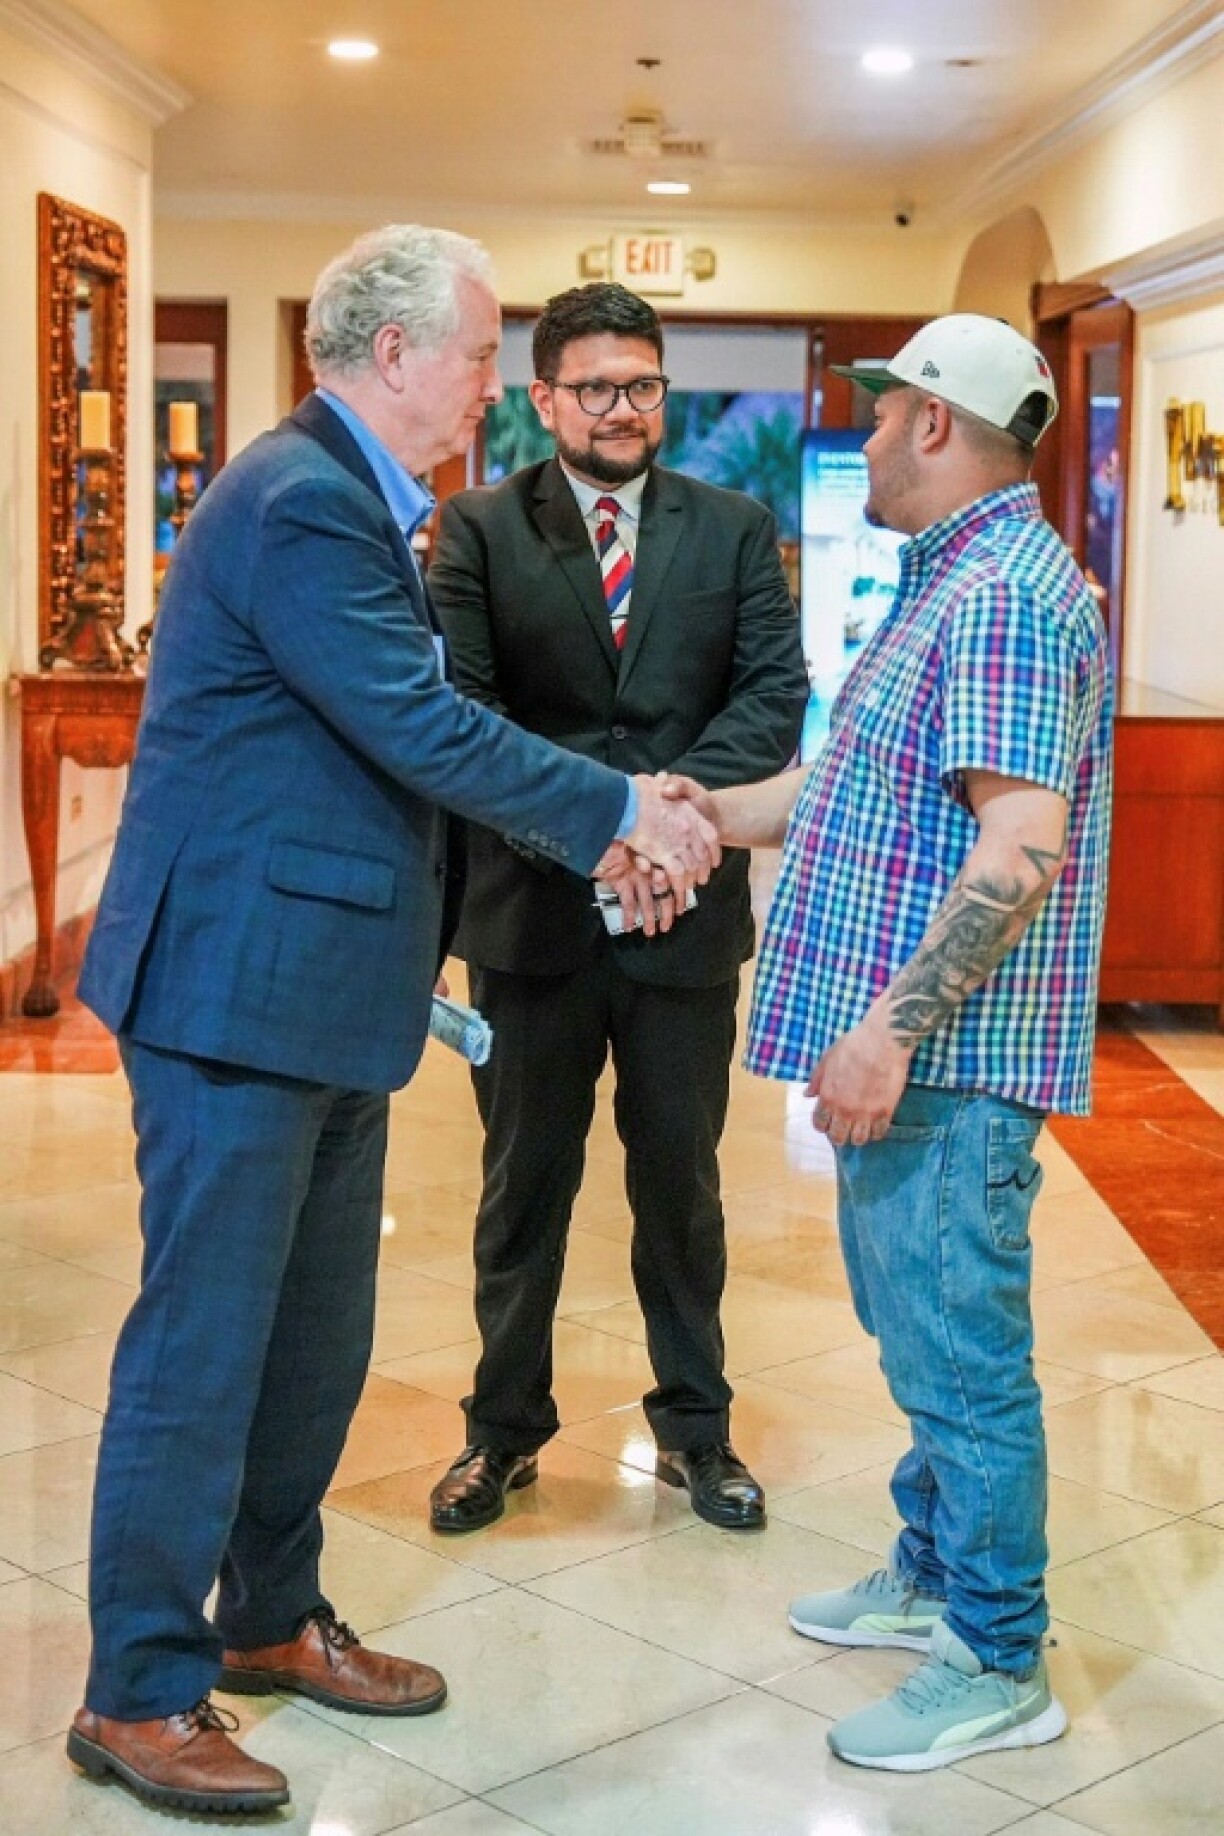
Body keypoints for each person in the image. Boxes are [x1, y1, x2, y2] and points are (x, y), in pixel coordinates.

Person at [66, 227, 718, 1819]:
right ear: (394, 352)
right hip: (234, 990)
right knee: (204, 1349)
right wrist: (625, 810)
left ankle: (268, 1619)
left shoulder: (355, 496)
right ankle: (137, 1691)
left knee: (312, 1343)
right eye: (485, 355)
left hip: (327, 987)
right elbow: (420, 727)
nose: (496, 385)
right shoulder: (299, 500)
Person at [665, 314, 1113, 1770]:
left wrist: (889, 1033)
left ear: (932, 422)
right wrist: (707, 811)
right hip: (919, 1060)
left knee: (964, 1363)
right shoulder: (951, 582)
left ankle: (997, 1654)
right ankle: (932, 1575)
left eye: (879, 411)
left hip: (950, 1069)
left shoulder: (1005, 598)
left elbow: (1019, 846)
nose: (861, 436)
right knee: (922, 1337)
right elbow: (852, 788)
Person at [426, 283, 808, 1536]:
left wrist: (674, 821)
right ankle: (501, 1431)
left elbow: (771, 696)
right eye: (594, 387)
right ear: (544, 398)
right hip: (530, 916)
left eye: (641, 385)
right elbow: (469, 716)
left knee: (682, 1192)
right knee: (521, 1189)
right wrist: (605, 829)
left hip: (683, 917)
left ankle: (698, 1429)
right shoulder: (479, 530)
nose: (621, 408)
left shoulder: (734, 528)